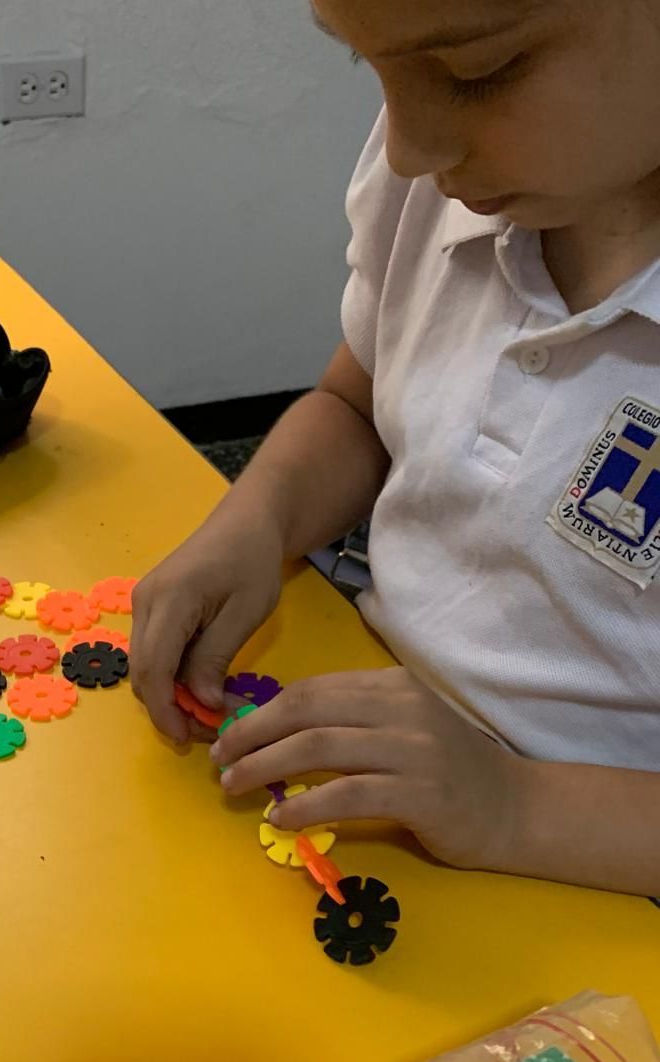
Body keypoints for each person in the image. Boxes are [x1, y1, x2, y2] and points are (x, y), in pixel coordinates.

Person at [131, 0, 660, 897]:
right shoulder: (434, 182)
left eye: (473, 72)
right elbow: (354, 403)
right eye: (367, 66)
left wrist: (515, 805)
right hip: (388, 764)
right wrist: (257, 521)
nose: (409, 149)